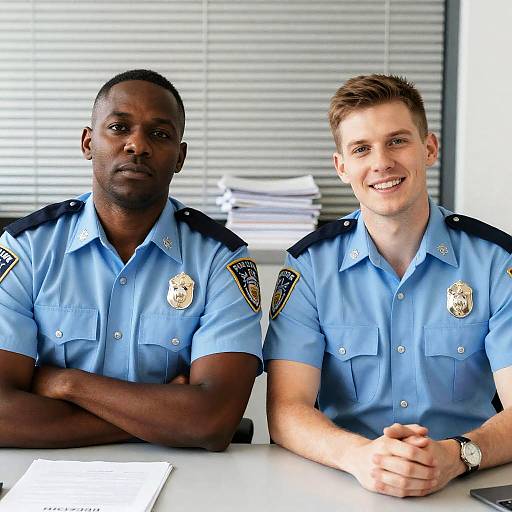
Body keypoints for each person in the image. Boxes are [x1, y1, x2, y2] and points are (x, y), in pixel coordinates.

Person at [263, 74, 512, 497]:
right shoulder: (309, 266)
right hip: (343, 481)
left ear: (429, 148)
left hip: (468, 483)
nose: (381, 163)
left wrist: (458, 455)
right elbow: (286, 409)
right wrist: (359, 456)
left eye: (397, 141)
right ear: (342, 166)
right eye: (361, 149)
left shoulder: (495, 262)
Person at [0, 69, 262, 450]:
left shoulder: (220, 259)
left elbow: (213, 421)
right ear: (88, 142)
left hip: (185, 477)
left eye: (159, 134)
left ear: (180, 157)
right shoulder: (28, 249)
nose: (137, 145)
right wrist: (164, 418)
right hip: (49, 474)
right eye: (119, 127)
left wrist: (65, 383)